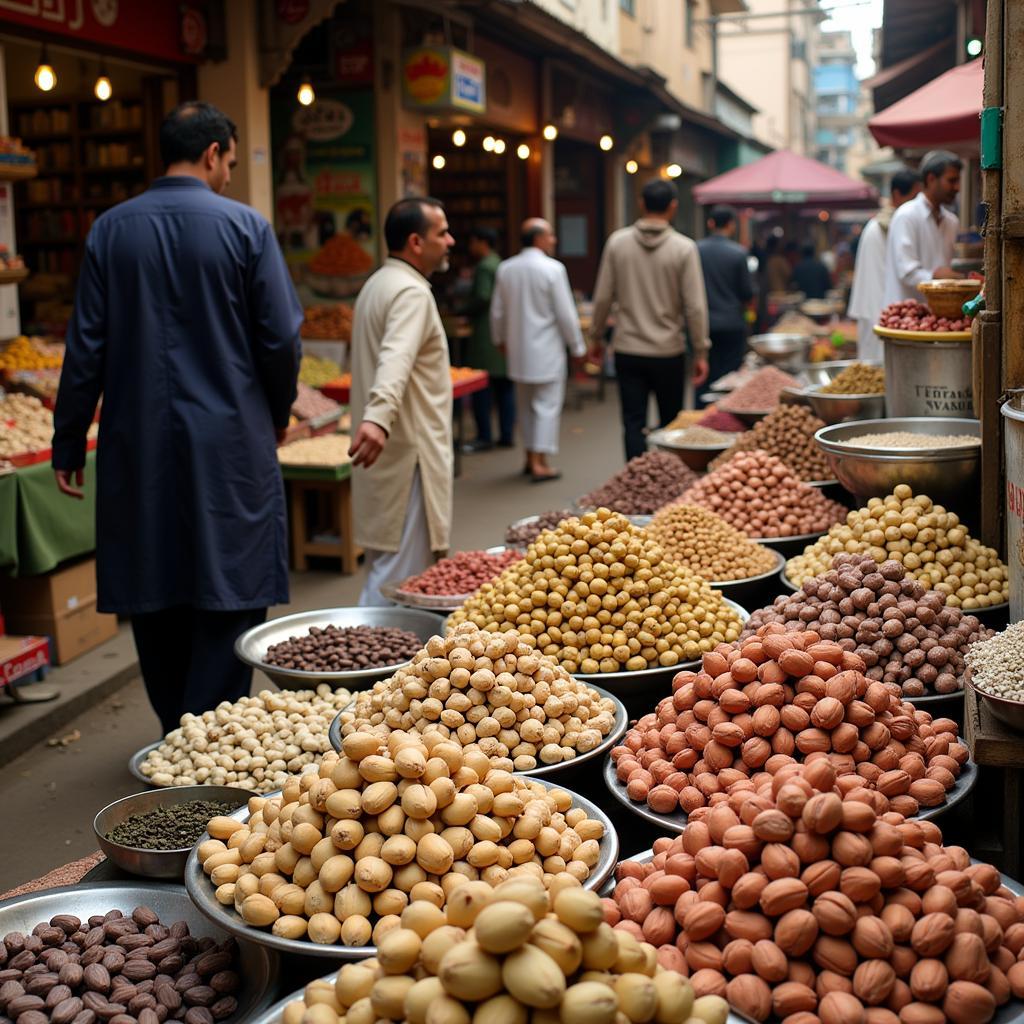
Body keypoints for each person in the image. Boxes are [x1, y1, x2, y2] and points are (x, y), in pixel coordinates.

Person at [51, 101, 302, 734]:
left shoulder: (111, 229)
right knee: (231, 580)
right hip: (231, 441)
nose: (228, 177)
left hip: (137, 440)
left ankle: (176, 730)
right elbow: (280, 338)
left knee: (152, 578)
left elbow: (85, 347)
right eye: (230, 164)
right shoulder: (246, 228)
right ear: (214, 152)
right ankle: (211, 733)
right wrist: (277, 412)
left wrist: (68, 440)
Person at [348, 197, 455, 606]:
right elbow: (396, 358)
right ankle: (365, 659)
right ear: (415, 241)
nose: (450, 241)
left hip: (390, 456)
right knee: (398, 581)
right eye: (441, 233)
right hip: (410, 455)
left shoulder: (377, 283)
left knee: (387, 562)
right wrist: (377, 418)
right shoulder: (410, 292)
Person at [590, 179, 710, 461]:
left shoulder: (617, 243)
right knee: (671, 422)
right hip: (669, 350)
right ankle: (670, 483)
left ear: (641, 203)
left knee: (632, 422)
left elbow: (603, 297)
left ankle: (635, 481)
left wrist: (595, 337)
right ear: (673, 207)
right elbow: (695, 306)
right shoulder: (684, 248)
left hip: (628, 348)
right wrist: (701, 350)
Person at [490, 218, 586, 482]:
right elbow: (566, 314)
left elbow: (497, 311)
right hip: (546, 349)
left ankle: (530, 456)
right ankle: (540, 462)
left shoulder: (506, 269)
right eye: (550, 235)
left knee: (525, 405)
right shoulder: (553, 269)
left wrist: (499, 339)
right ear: (538, 238)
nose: (554, 240)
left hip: (518, 350)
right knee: (546, 406)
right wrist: (577, 346)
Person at [847, 169, 921, 361]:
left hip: (876, 309)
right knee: (879, 369)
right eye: (914, 198)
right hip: (878, 310)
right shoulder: (887, 225)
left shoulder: (884, 223)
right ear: (897, 195)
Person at [883, 150, 963, 305]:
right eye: (952, 181)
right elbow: (907, 272)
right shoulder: (906, 215)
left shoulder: (952, 222)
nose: (957, 187)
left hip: (940, 314)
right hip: (905, 318)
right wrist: (938, 275)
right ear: (931, 179)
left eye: (958, 181)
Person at [461, 226, 514, 451]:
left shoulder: (484, 267)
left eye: (473, 242)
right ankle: (506, 434)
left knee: (482, 387)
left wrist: (464, 310)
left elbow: (483, 297)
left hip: (485, 335)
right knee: (504, 388)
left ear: (482, 242)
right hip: (501, 334)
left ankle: (484, 435)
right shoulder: (500, 264)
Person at [697, 205, 754, 396]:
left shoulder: (695, 250)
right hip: (732, 324)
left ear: (710, 223)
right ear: (731, 225)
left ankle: (699, 418)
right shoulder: (738, 253)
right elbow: (747, 292)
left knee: (703, 376)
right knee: (729, 380)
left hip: (703, 324)